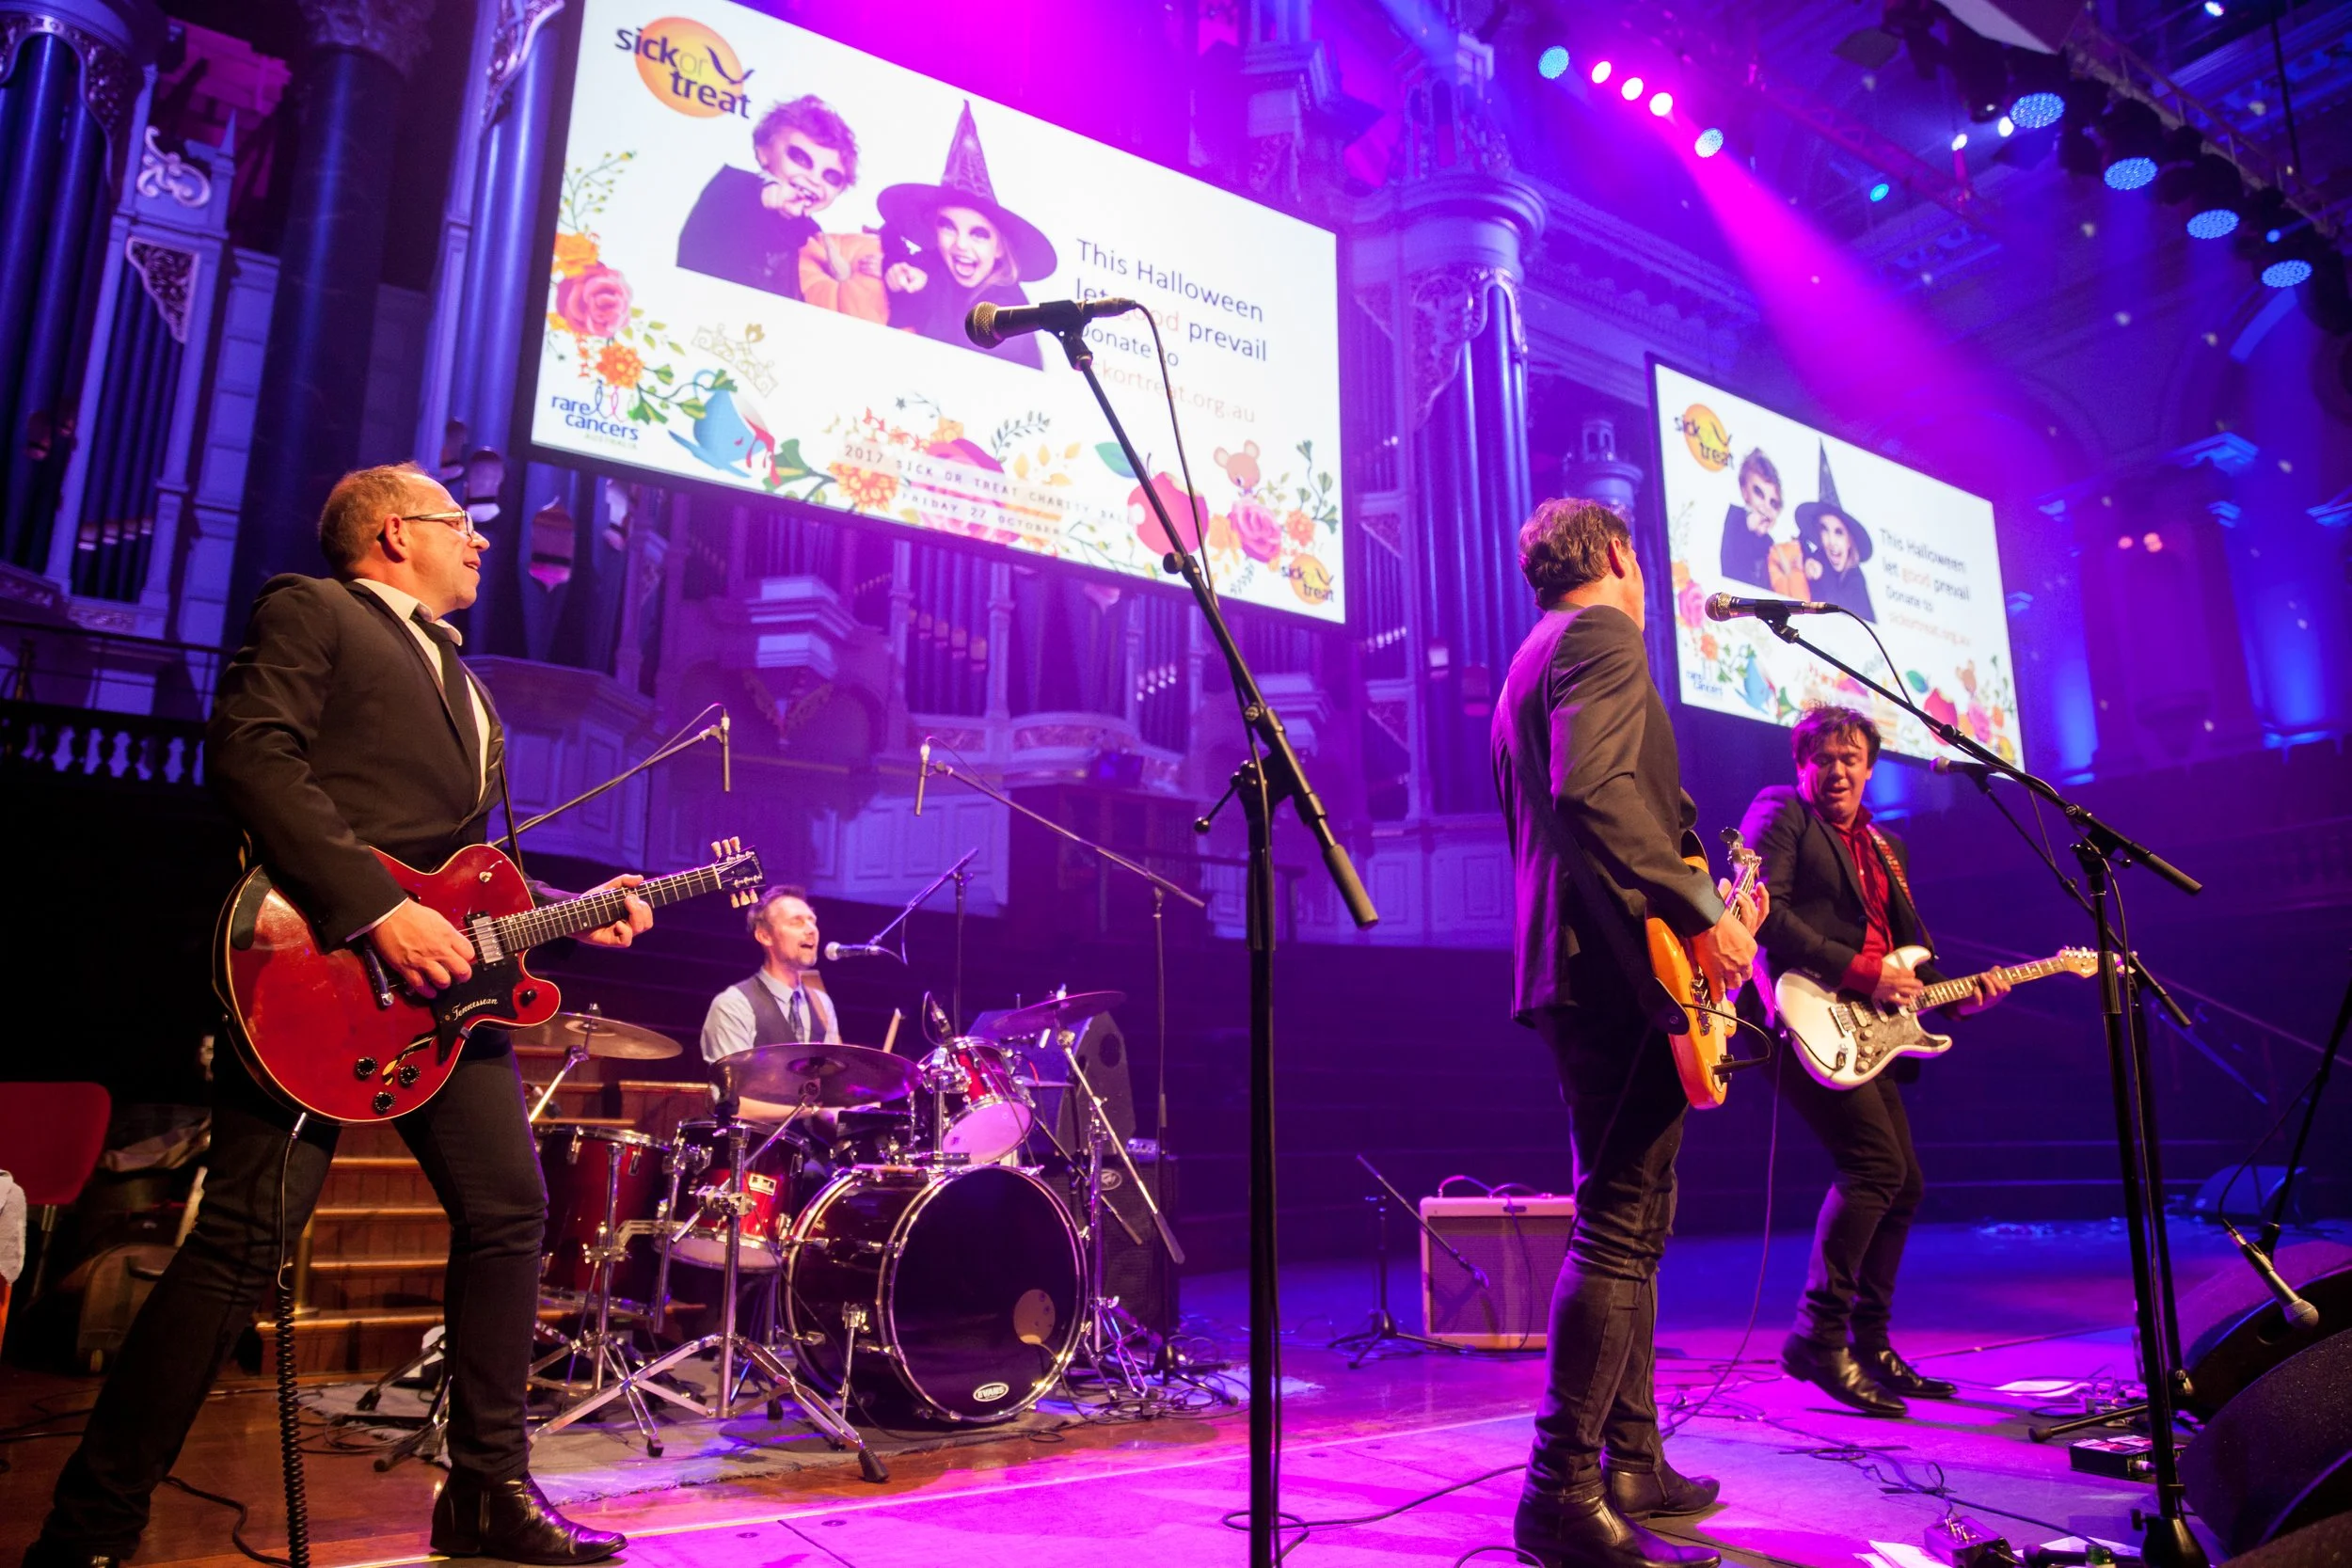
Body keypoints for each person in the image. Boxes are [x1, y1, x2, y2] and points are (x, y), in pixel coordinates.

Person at [23, 463, 653, 1568]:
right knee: (241, 1247)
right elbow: (250, 756)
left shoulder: (469, 681)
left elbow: (459, 871)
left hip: (444, 1000)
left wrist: (565, 912)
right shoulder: (311, 607)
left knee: (510, 1212)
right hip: (324, 974)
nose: (485, 544)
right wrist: (375, 913)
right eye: (465, 525)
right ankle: (88, 1530)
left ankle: (485, 1492)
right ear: (393, 533)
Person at [1492, 498, 1764, 1568]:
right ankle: (1559, 1492)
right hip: (1612, 970)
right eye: (1643, 566)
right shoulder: (1601, 634)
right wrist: (1704, 915)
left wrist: (1694, 859)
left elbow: (1592, 800)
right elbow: (1595, 790)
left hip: (1574, 964)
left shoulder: (1532, 654)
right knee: (1617, 1221)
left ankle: (1633, 1456)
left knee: (1637, 1216)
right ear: (1616, 556)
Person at [1738, 706, 2008, 1418]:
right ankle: (1816, 1338)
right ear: (1801, 765)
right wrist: (1862, 974)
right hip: (1803, 1016)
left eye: (1851, 758)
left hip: (1873, 1028)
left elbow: (1910, 956)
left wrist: (1958, 1000)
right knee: (1875, 1167)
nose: (1836, 770)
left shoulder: (1889, 848)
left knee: (1904, 1181)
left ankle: (1870, 1341)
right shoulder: (1782, 815)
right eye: (1822, 757)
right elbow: (1763, 913)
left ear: (1870, 766)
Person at [876, 102, 1058, 370]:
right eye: (948, 227)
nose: (960, 245)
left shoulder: (1006, 304)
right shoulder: (931, 267)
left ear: (999, 248)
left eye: (979, 234)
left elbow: (958, 363)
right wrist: (898, 280)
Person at [676, 95, 882, 317]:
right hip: (704, 313)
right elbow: (741, 197)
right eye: (801, 159)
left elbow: (829, 286)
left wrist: (879, 270)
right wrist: (767, 192)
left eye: (830, 177)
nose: (813, 179)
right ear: (764, 151)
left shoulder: (811, 232)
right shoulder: (735, 186)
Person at [701, 885, 844, 1071]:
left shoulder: (822, 1004)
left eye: (812, 921)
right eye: (796, 922)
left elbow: (831, 1081)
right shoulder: (733, 1005)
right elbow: (733, 1095)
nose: (811, 930)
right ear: (765, 936)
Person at [1795, 443, 1875, 621]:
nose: (1831, 540)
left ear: (1849, 540)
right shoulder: (1818, 559)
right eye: (1824, 530)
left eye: (1838, 532)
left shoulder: (1856, 579)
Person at [1716, 448, 1786, 589]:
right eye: (1759, 493)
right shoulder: (1736, 518)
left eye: (1773, 503)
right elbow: (1731, 565)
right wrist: (1748, 525)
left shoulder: (1769, 543)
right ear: (1744, 491)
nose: (1766, 507)